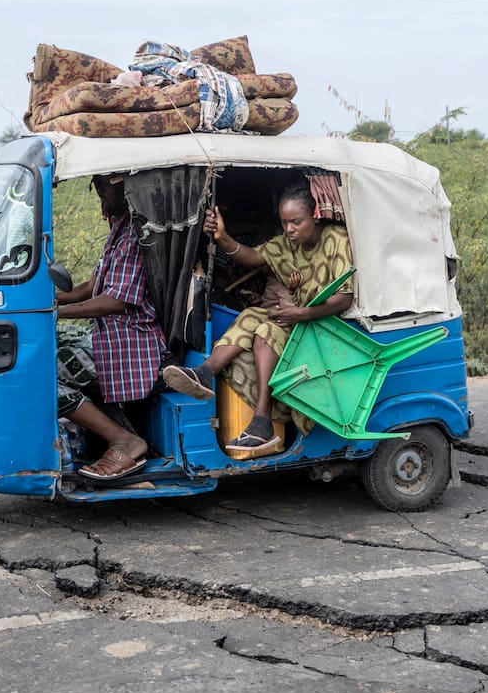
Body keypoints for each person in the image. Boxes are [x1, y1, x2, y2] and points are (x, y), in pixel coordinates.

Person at [162, 182, 353, 455]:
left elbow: (344, 299)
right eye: (285, 223)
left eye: (296, 222)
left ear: (314, 215)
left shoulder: (337, 240)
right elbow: (253, 256)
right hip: (298, 318)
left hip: (324, 326)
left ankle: (262, 421)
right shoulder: (288, 243)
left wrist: (301, 313)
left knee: (267, 330)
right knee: (253, 315)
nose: (289, 229)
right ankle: (204, 373)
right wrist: (223, 237)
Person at [56, 174, 167, 479]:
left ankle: (125, 441)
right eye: (97, 185)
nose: (100, 191)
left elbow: (116, 299)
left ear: (127, 185)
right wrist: (57, 299)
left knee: (38, 371)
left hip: (132, 343)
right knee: (47, 349)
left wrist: (57, 313)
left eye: (106, 183)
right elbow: (95, 284)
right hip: (108, 335)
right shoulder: (120, 227)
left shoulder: (138, 233)